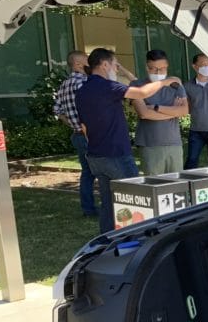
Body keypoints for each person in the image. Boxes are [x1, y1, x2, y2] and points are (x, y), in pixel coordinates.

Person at [75, 48, 178, 233]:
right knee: (134, 200)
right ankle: (135, 237)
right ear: (105, 65)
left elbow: (84, 128)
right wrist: (165, 82)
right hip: (117, 154)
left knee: (108, 202)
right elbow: (141, 93)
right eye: (115, 65)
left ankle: (107, 238)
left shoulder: (82, 91)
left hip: (96, 155)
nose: (116, 69)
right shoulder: (107, 87)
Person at [52, 50, 97, 217]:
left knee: (87, 173)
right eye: (87, 60)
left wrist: (72, 123)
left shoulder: (64, 85)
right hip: (89, 134)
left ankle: (88, 208)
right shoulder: (84, 82)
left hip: (77, 134)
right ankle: (96, 208)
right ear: (78, 64)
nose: (90, 62)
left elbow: (57, 110)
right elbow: (89, 108)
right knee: (102, 170)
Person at [130, 49, 187, 175]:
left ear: (167, 66)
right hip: (150, 145)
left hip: (174, 144)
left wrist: (155, 108)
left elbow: (183, 111)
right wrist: (172, 112)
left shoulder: (175, 85)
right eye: (154, 69)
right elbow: (144, 113)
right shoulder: (137, 85)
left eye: (162, 68)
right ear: (147, 67)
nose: (158, 72)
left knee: (177, 186)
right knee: (154, 187)